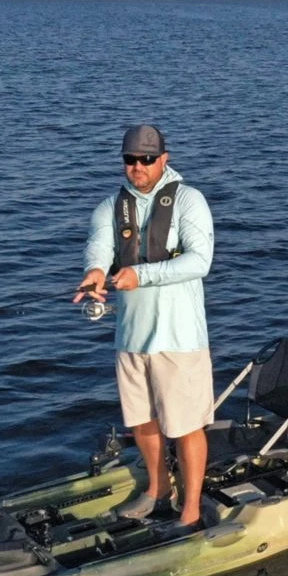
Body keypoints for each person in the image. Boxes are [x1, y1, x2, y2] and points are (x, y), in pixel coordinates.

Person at [73, 124, 214, 536]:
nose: (138, 166)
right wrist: (94, 271)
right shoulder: (110, 206)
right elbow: (99, 246)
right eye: (130, 159)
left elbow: (200, 261)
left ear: (163, 160)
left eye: (147, 159)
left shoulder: (189, 200)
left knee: (185, 426)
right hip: (131, 338)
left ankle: (190, 511)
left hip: (179, 339)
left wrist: (142, 275)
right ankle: (157, 490)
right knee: (141, 421)